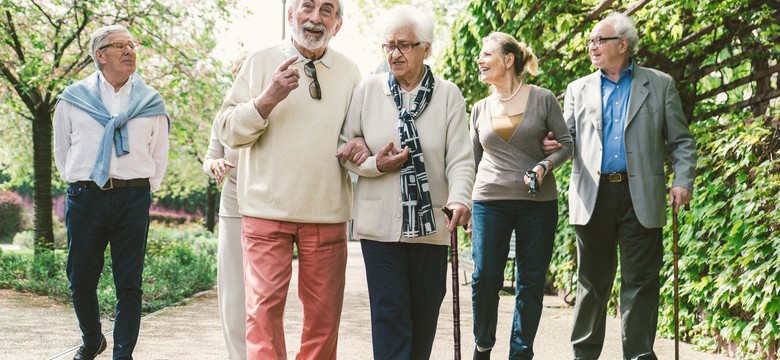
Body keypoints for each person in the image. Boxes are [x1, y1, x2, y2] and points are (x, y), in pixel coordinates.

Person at [214, 0, 364, 358]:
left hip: (326, 214)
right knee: (262, 315)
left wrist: (360, 143)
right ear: (290, 15)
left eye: (326, 10)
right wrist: (267, 99)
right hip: (265, 212)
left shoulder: (350, 72)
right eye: (307, 7)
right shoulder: (260, 62)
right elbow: (227, 132)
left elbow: (356, 135)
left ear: (337, 24)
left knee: (323, 322)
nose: (315, 17)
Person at [545, 13, 696, 359]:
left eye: (599, 40)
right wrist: (549, 147)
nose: (592, 47)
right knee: (592, 284)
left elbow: (682, 143)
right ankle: (584, 355)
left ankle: (640, 355)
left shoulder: (660, 84)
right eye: (591, 42)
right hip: (593, 194)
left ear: (623, 45)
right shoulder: (577, 89)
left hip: (640, 193)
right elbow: (565, 142)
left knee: (641, 283)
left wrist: (683, 181)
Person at [336, 5, 475, 359]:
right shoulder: (368, 90)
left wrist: (460, 199)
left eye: (403, 45)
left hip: (431, 226)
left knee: (424, 317)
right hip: (379, 227)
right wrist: (375, 165)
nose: (394, 54)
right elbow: (345, 147)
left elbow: (460, 158)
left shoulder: (448, 95)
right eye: (388, 45)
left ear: (425, 48)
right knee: (391, 315)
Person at [53, 24, 169, 360]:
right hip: (85, 196)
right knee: (80, 279)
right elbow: (63, 151)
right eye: (120, 45)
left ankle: (123, 354)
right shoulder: (73, 98)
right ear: (100, 55)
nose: (130, 50)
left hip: (132, 198)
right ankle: (92, 340)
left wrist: (144, 189)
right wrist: (81, 183)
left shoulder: (150, 101)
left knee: (129, 283)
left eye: (132, 44)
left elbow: (159, 153)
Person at [468, 32, 574, 360]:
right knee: (485, 277)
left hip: (537, 204)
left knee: (531, 280)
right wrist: (467, 208)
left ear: (508, 60)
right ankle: (483, 344)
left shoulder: (542, 99)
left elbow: (567, 144)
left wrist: (545, 165)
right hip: (488, 200)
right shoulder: (479, 108)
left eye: (487, 55)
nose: (480, 61)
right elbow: (471, 162)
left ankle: (520, 352)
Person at [201, 54, 244, 359]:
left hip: (271, 208)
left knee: (263, 294)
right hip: (233, 205)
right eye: (239, 76)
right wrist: (214, 164)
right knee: (233, 292)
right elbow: (209, 157)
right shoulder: (224, 116)